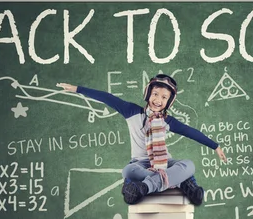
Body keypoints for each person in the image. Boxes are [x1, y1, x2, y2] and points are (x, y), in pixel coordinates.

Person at [57, 74, 227, 205]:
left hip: (164, 163)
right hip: (140, 163)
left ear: (168, 102)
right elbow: (107, 97)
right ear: (148, 93)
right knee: (128, 171)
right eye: (155, 94)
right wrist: (77, 89)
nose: (158, 100)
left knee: (189, 165)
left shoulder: (167, 121)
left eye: (164, 97)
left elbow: (190, 131)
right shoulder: (131, 111)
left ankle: (145, 187)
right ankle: (181, 182)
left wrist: (215, 146)